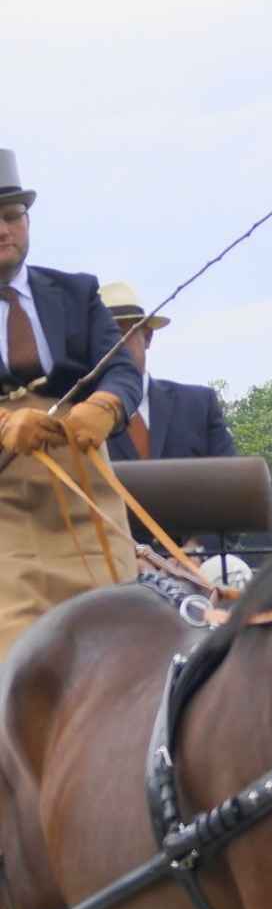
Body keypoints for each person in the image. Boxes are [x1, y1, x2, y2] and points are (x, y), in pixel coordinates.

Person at [0, 148, 141, 659]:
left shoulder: (77, 292)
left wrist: (105, 406)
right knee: (21, 660)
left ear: (27, 221)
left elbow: (122, 369)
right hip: (6, 506)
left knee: (120, 649)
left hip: (85, 492)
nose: (2, 229)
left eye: (12, 217)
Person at [99, 281, 236, 461]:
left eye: (121, 334)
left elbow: (231, 481)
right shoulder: (73, 417)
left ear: (147, 337)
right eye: (101, 339)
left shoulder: (199, 407)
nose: (112, 347)